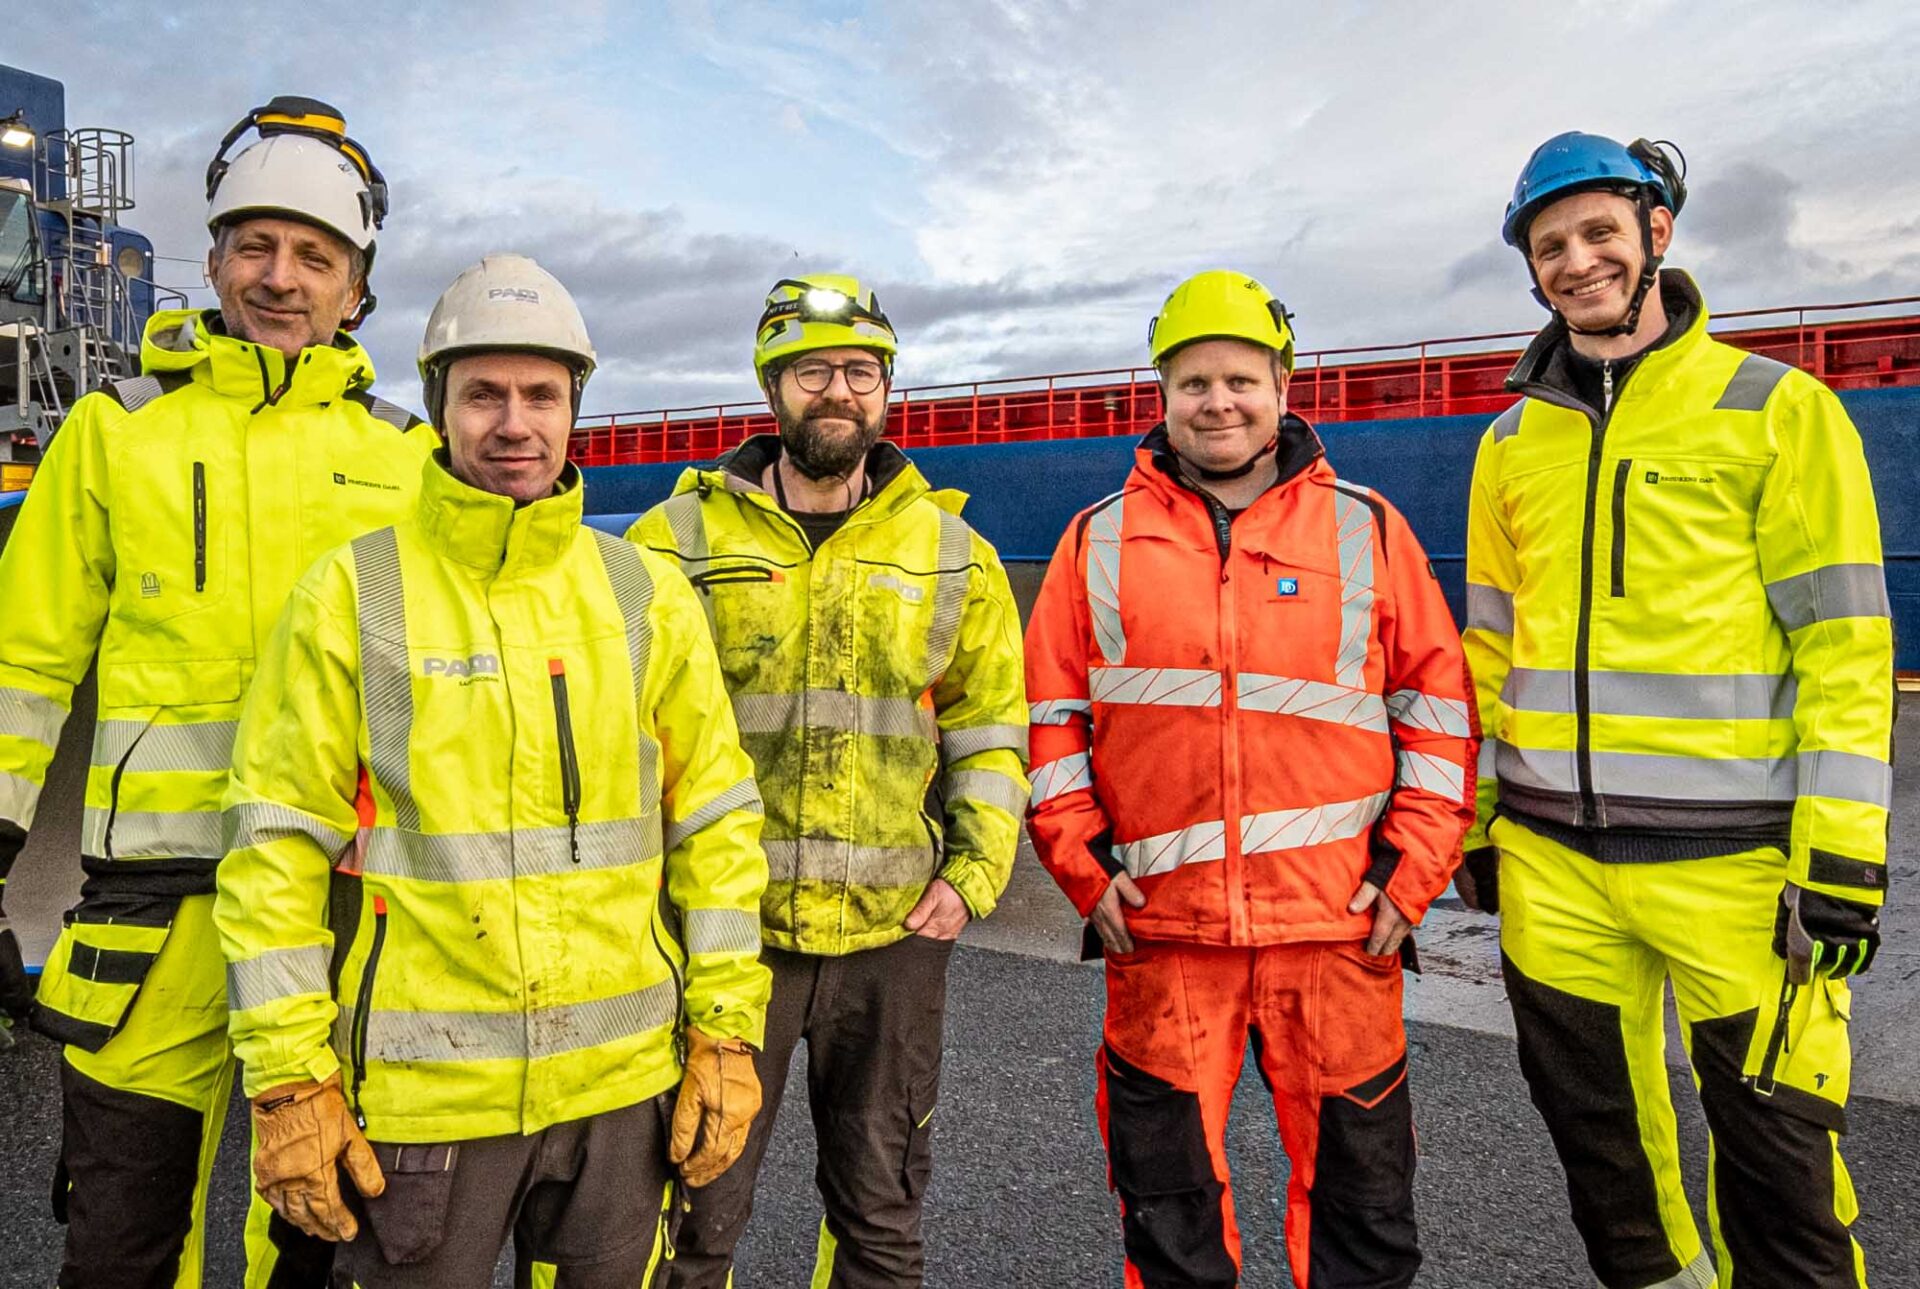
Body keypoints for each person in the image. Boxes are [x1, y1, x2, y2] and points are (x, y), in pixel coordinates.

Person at [214, 253, 772, 1286]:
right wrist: (290, 1081)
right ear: (439, 407)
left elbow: (716, 824)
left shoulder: (643, 594)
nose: (514, 423)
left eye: (541, 395)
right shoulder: (353, 594)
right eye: (484, 394)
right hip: (426, 1107)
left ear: (574, 410)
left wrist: (729, 1032)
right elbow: (273, 850)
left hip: (621, 1095)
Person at [0, 96, 432, 1287]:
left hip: (341, 908)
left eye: (314, 256)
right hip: (153, 912)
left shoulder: (409, 460)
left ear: (356, 288)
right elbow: (21, 663)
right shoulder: (116, 433)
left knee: (317, 1240)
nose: (280, 277)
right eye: (256, 245)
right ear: (214, 260)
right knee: (122, 1242)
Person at [1461, 131, 1890, 1286]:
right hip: (1552, 871)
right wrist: (1475, 820)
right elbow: (1490, 650)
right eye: (1551, 244)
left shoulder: (1778, 409)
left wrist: (1842, 856)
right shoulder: (1508, 443)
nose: (1577, 260)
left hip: (1740, 877)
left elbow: (1845, 645)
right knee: (1616, 1193)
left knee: (1785, 1193)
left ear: (1657, 230)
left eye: (1599, 231)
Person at [1024, 269, 1476, 1289]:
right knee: (1169, 1211)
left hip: (1339, 930)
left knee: (1366, 1212)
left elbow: (1437, 712)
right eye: (1194, 382)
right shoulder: (1097, 539)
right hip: (1164, 935)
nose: (1217, 402)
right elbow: (1051, 720)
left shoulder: (1367, 528)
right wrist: (1085, 869)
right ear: (1162, 394)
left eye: (1240, 380)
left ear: (1282, 386)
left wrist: (1412, 873)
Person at [627, 273, 1028, 1288]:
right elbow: (623, 733)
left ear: (886, 389)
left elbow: (989, 729)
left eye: (859, 370)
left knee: (880, 1216)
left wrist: (973, 875)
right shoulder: (671, 543)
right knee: (692, 1206)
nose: (838, 390)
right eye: (811, 371)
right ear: (772, 388)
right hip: (725, 938)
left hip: (892, 939)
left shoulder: (953, 554)